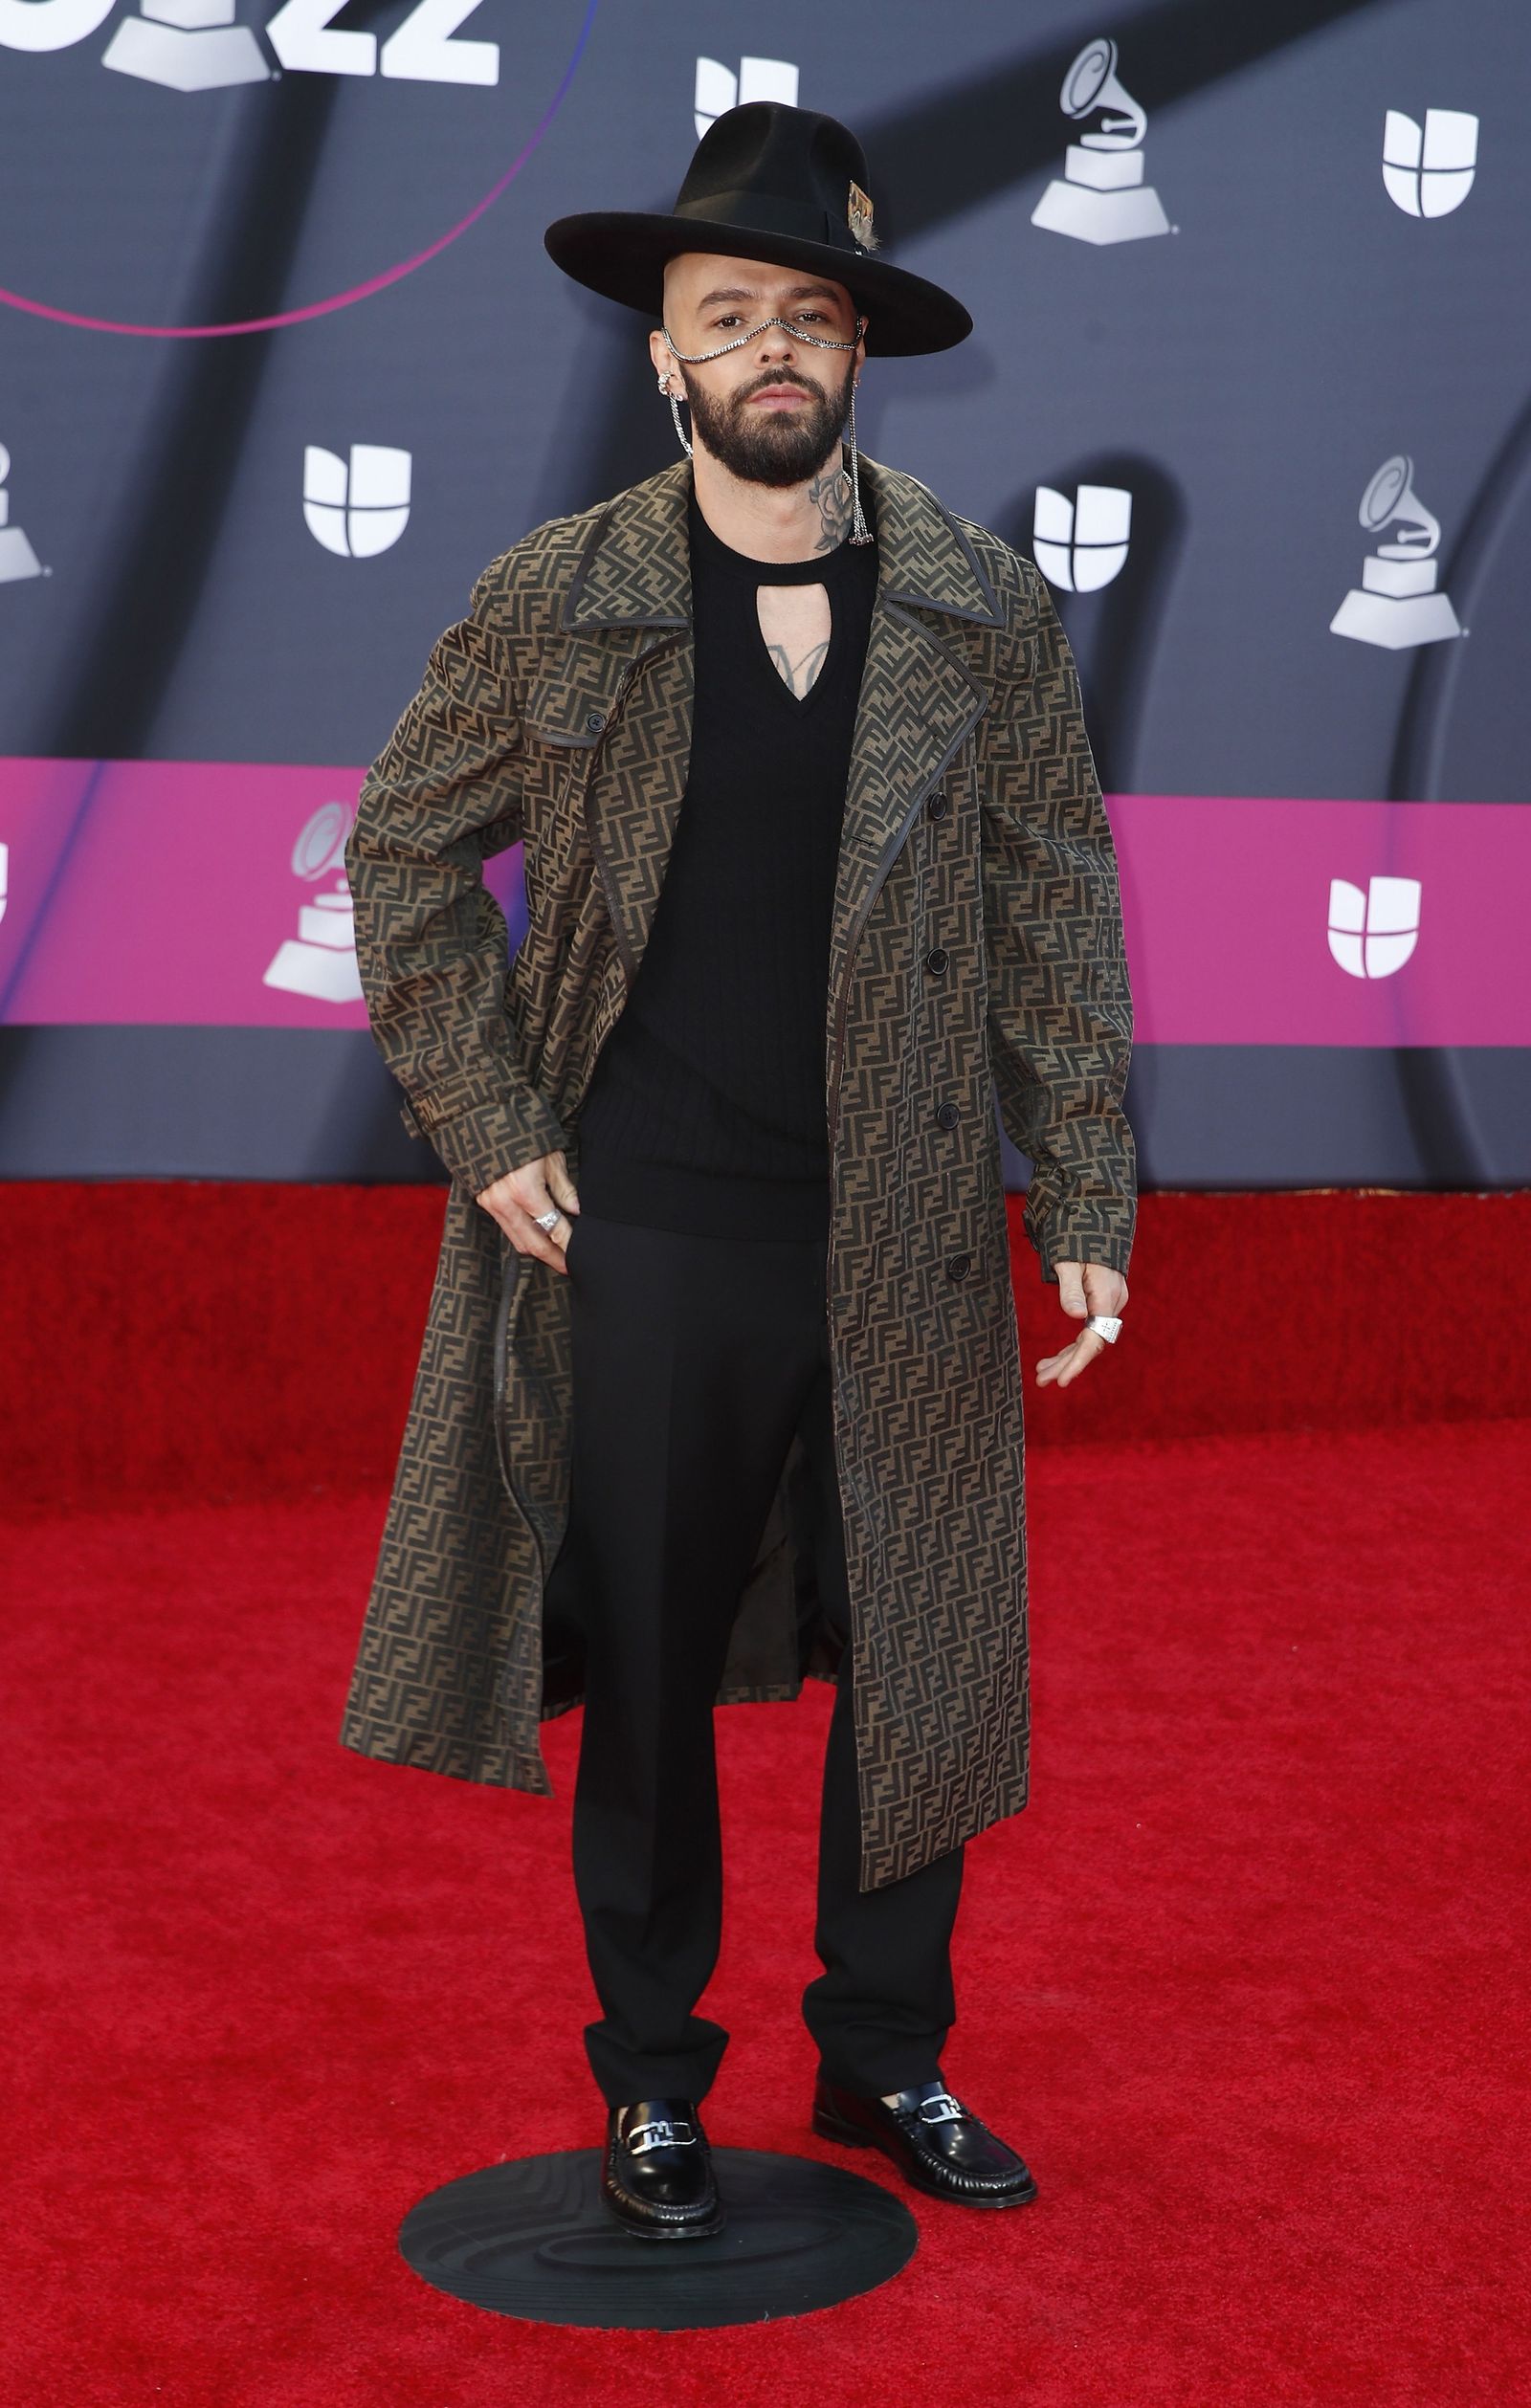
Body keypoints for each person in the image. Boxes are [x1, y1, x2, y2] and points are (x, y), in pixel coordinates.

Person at [340, 101, 1136, 2242]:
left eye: (807, 315)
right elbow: (402, 847)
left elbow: (1055, 906)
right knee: (658, 1658)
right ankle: (653, 2077)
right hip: (653, 1225)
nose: (770, 350)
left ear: (857, 349)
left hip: (896, 1224)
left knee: (927, 1652)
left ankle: (883, 2053)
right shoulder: (565, 594)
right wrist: (492, 1119)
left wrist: (1080, 1190)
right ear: (662, 359)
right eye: (727, 319)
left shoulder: (971, 605)